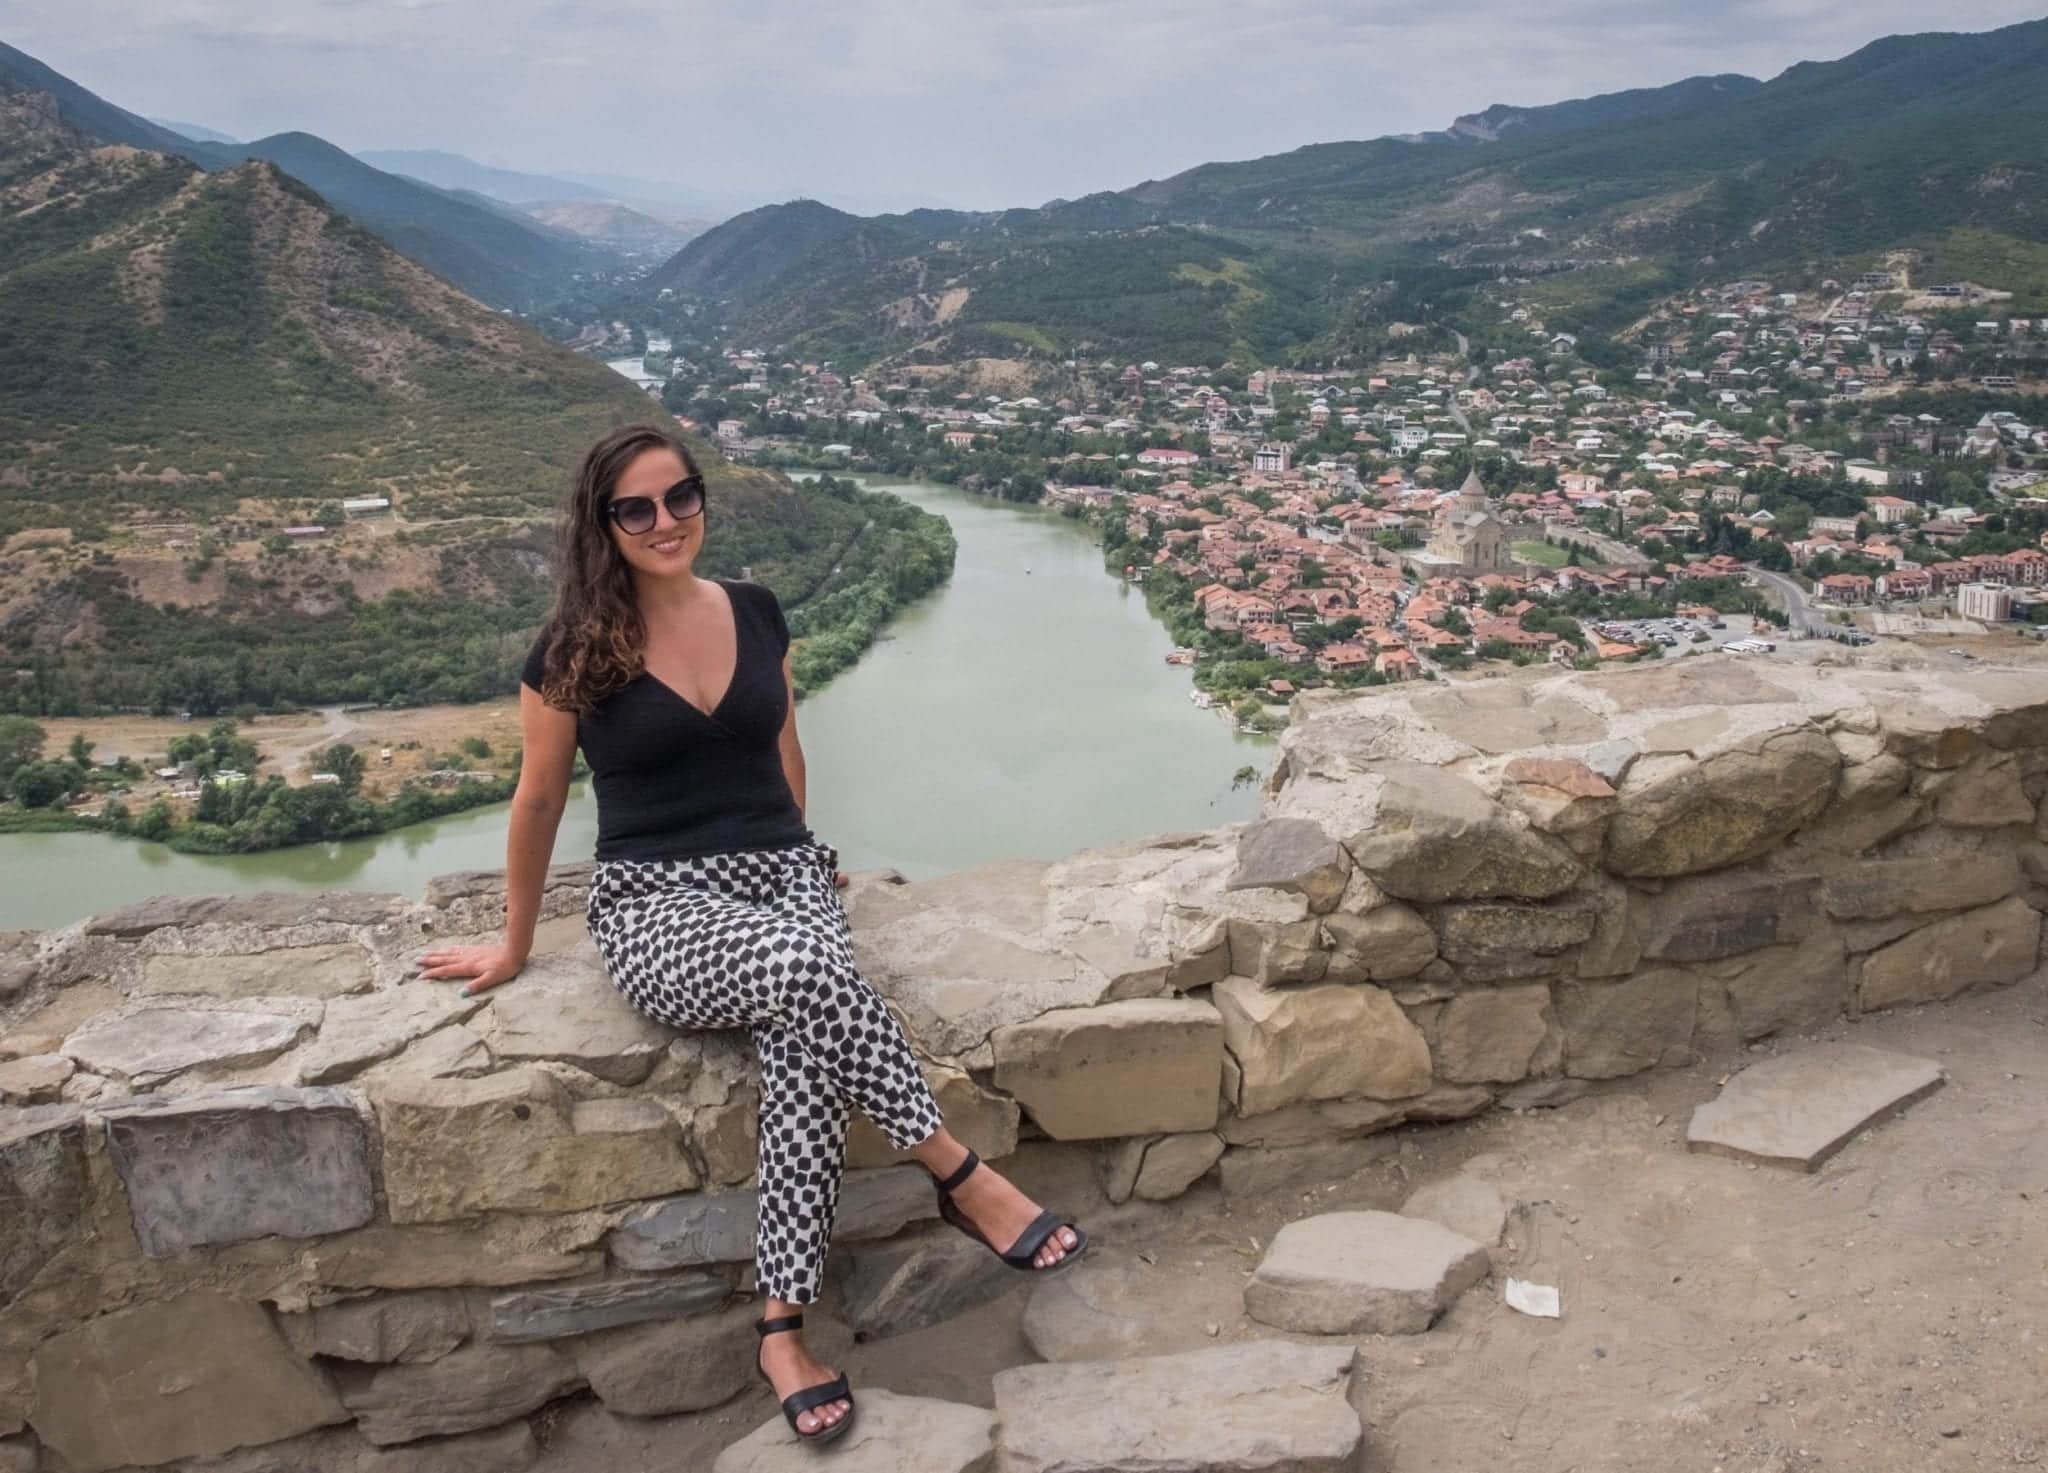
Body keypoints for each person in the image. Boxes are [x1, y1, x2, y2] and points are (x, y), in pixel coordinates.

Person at [415, 425, 1085, 1448]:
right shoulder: (570, 653)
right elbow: (539, 799)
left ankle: (779, 1329)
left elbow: (783, 749)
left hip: (780, 876)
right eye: (635, 508)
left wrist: (801, 855)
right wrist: (512, 943)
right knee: (805, 968)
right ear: (601, 525)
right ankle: (959, 1173)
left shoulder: (757, 612)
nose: (664, 521)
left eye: (679, 497)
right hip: (653, 905)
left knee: (801, 1047)